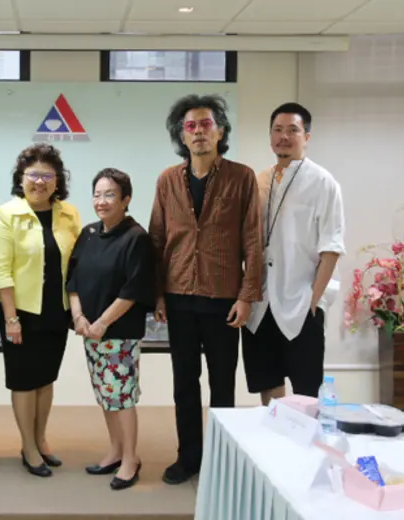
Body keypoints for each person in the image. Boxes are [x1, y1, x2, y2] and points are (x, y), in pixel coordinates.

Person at [148, 94, 263, 485]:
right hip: (179, 297)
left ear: (220, 132)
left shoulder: (241, 177)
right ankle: (188, 458)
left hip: (223, 299)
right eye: (190, 126)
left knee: (222, 385)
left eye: (206, 124)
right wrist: (158, 294)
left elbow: (253, 240)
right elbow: (157, 238)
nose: (198, 132)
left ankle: (222, 460)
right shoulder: (167, 180)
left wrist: (246, 296)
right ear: (182, 135)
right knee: (184, 384)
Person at [242, 102, 346, 405]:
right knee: (267, 383)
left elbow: (332, 246)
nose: (283, 136)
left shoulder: (323, 183)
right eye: (277, 130)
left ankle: (303, 438)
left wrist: (314, 300)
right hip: (262, 302)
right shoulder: (260, 180)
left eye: (292, 130)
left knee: (305, 391)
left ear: (306, 137)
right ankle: (272, 435)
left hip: (301, 300)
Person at [0, 143, 81, 478]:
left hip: (56, 310)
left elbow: (77, 264)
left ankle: (41, 439)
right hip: (21, 313)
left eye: (47, 175)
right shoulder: (7, 214)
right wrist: (10, 319)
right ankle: (28, 446)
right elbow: (0, 270)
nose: (39, 182)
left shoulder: (69, 214)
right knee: (24, 381)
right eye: (33, 175)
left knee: (45, 378)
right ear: (21, 178)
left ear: (57, 181)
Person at [66, 168, 155, 491]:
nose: (101, 201)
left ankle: (131, 458)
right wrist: (79, 317)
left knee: (122, 397)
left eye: (110, 195)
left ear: (126, 199)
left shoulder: (136, 237)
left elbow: (133, 289)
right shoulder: (89, 233)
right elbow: (72, 279)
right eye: (97, 194)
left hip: (119, 333)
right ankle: (116, 450)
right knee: (105, 395)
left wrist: (103, 322)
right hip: (90, 332)